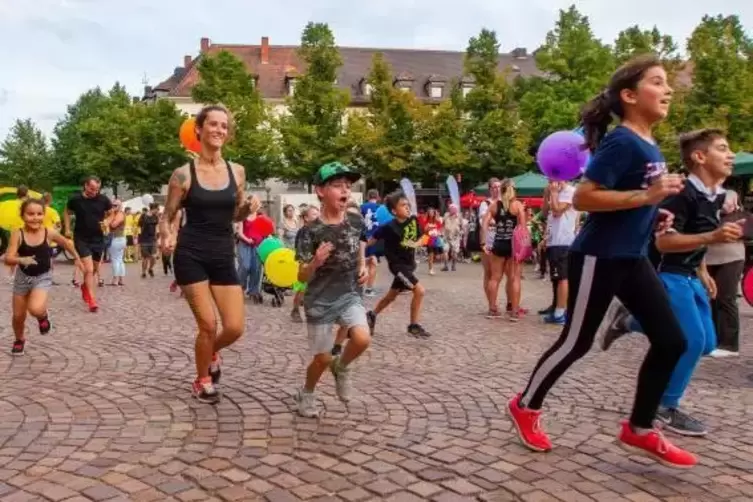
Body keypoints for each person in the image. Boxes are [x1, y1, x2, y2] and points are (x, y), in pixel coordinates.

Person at [506, 55, 697, 468]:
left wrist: (653, 211)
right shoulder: (622, 141)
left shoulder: (648, 143)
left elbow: (630, 199)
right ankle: (525, 405)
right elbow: (585, 196)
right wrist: (645, 198)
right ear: (629, 95)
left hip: (632, 256)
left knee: (672, 341)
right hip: (599, 255)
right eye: (659, 83)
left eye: (668, 84)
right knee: (576, 342)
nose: (668, 90)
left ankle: (640, 427)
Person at [599, 129, 741, 436]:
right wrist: (712, 238)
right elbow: (665, 243)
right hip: (667, 273)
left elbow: (698, 235)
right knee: (687, 343)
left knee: (707, 343)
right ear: (699, 157)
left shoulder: (714, 195)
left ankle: (631, 320)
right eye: (723, 148)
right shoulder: (681, 194)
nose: (731, 155)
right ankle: (664, 406)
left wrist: (702, 270)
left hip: (690, 275)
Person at [160, 104, 258, 405]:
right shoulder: (183, 175)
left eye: (224, 126)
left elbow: (235, 212)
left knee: (235, 327)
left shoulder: (237, 171)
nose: (219, 130)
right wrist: (168, 234)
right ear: (199, 130)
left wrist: (248, 208)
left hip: (222, 253)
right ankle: (202, 379)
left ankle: (210, 352)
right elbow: (168, 214)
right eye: (213, 124)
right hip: (191, 254)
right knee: (207, 324)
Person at [294, 162, 371, 418]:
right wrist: (315, 261)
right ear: (320, 191)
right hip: (319, 299)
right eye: (337, 185)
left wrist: (362, 266)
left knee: (362, 338)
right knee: (322, 358)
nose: (345, 190)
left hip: (349, 293)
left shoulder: (356, 221)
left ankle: (343, 367)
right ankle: (307, 393)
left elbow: (359, 244)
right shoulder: (309, 232)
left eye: (348, 186)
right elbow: (301, 275)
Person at [4, 198, 82, 355]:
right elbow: (8, 258)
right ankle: (19, 340)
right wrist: (21, 259)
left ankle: (43, 317)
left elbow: (66, 243)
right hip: (22, 277)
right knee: (18, 315)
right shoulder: (17, 234)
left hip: (42, 276)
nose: (35, 217)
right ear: (23, 215)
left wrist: (77, 258)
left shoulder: (48, 232)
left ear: (44, 216)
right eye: (30, 214)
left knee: (35, 308)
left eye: (39, 214)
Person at [366, 190, 431, 338]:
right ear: (394, 211)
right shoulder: (388, 227)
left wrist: (419, 242)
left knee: (391, 296)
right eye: (403, 205)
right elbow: (371, 240)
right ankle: (413, 325)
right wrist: (360, 255)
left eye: (408, 205)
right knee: (419, 291)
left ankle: (372, 315)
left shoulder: (413, 220)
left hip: (409, 265)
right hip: (398, 266)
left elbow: (422, 238)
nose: (407, 207)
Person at [705, 190, 746, 356]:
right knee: (713, 298)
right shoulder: (705, 204)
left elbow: (728, 208)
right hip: (709, 257)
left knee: (726, 298)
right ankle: (714, 340)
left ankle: (730, 345)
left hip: (731, 257)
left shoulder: (731, 199)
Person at [63, 176, 113, 312]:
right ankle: (92, 300)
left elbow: (111, 213)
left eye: (97, 189)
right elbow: (66, 212)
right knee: (89, 269)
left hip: (98, 238)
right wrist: (67, 228)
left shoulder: (103, 199)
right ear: (85, 185)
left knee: (95, 270)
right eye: (92, 189)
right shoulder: (75, 199)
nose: (94, 192)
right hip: (81, 238)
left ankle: (85, 286)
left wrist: (108, 221)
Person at [480, 179, 526, 321]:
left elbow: (484, 222)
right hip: (513, 246)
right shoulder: (518, 205)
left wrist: (483, 242)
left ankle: (492, 309)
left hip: (498, 243)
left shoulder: (495, 205)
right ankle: (514, 312)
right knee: (514, 278)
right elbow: (522, 228)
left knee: (495, 278)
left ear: (502, 190)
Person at [541, 181, 578, 325]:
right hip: (553, 240)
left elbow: (557, 211)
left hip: (564, 241)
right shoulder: (553, 191)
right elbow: (545, 213)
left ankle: (561, 312)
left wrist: (555, 193)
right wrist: (546, 196)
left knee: (562, 277)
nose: (551, 182)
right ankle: (556, 307)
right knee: (556, 277)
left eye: (554, 179)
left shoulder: (570, 191)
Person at [290, 205, 320, 323]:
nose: (317, 216)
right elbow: (300, 248)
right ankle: (295, 309)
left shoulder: (319, 229)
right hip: (306, 263)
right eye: (314, 214)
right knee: (302, 289)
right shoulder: (303, 231)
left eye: (318, 214)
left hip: (317, 263)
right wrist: (304, 263)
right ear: (306, 218)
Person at [478, 179, 501, 313]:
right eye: (494, 187)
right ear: (490, 189)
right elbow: (485, 222)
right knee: (489, 272)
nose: (497, 189)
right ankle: (491, 303)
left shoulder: (503, 203)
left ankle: (497, 302)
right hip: (488, 240)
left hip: (501, 241)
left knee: (497, 274)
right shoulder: (485, 204)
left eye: (499, 187)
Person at [360, 189, 382, 297]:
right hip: (376, 239)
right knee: (373, 263)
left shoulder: (362, 207)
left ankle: (358, 287)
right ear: (377, 197)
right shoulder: (380, 208)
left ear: (368, 197)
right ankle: (369, 289)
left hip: (363, 238)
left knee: (362, 262)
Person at [108, 200, 127, 286]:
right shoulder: (119, 214)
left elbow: (113, 225)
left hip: (116, 238)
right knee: (119, 260)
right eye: (112, 205)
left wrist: (110, 217)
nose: (113, 207)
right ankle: (121, 279)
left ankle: (115, 279)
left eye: (115, 205)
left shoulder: (119, 214)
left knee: (115, 259)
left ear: (120, 206)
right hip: (120, 238)